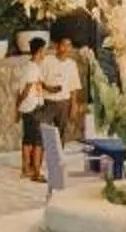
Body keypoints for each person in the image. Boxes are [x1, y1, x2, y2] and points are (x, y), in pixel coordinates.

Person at [39, 36, 82, 154]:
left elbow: (74, 86)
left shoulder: (72, 64)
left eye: (69, 45)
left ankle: (58, 157)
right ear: (57, 47)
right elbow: (39, 79)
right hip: (47, 101)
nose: (66, 48)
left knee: (61, 131)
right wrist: (48, 88)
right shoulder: (47, 60)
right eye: (63, 45)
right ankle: (41, 157)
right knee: (43, 130)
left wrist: (74, 105)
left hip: (64, 102)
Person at [17, 40, 53, 180]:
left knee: (28, 140)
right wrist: (19, 105)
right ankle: (37, 172)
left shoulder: (30, 66)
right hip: (32, 107)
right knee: (38, 141)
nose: (45, 53)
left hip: (29, 107)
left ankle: (26, 168)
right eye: (44, 50)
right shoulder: (32, 69)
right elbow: (26, 90)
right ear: (39, 51)